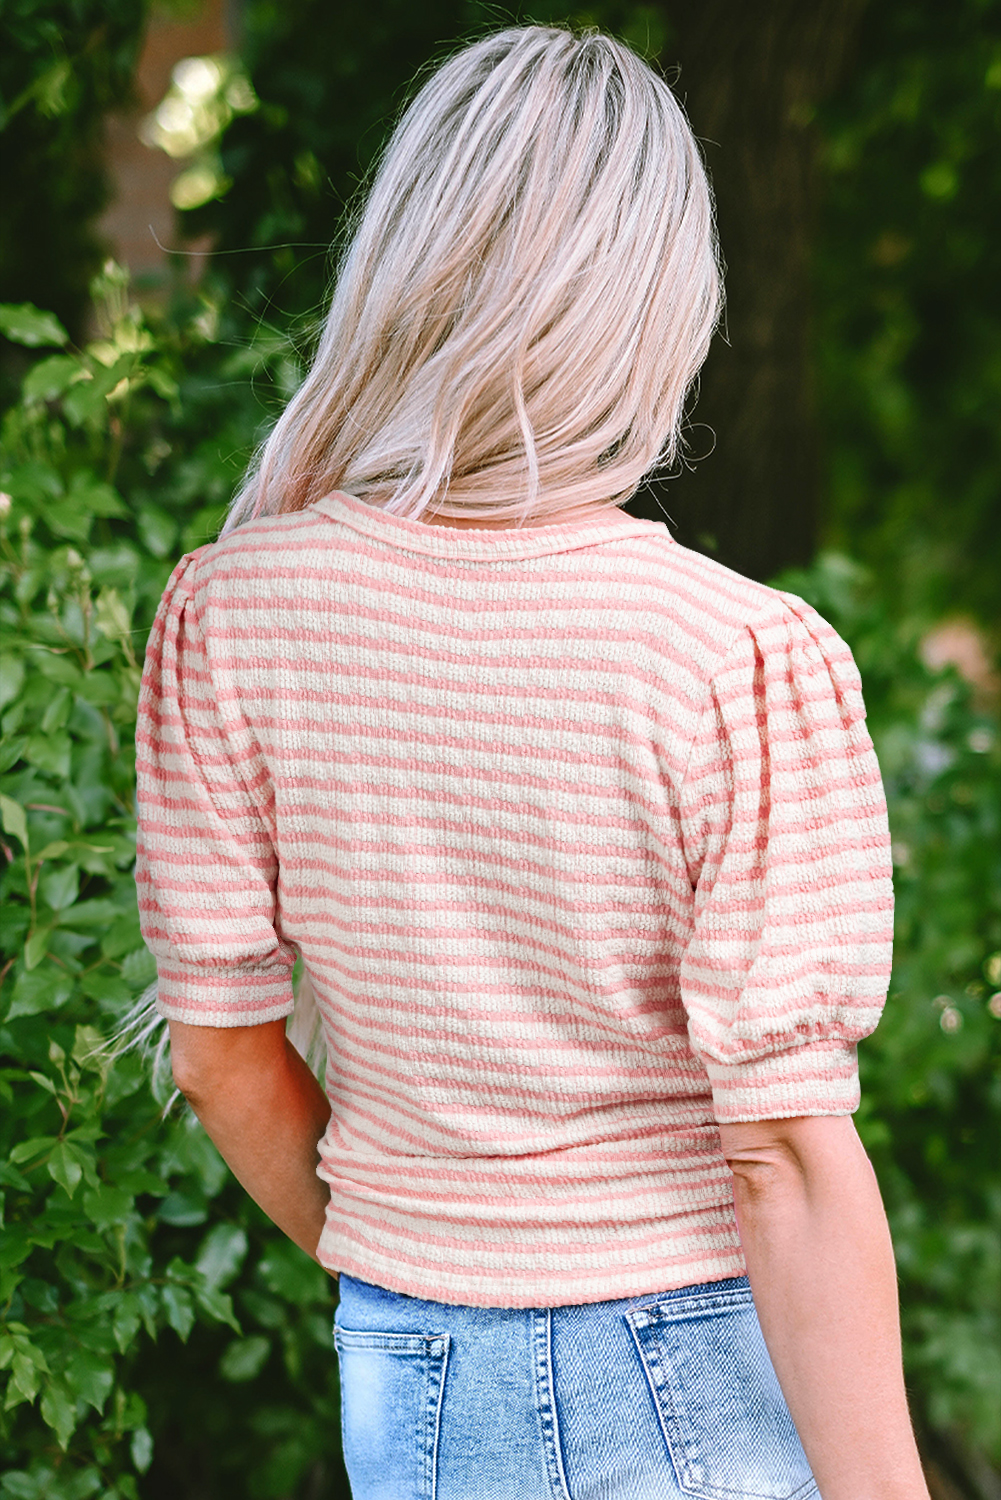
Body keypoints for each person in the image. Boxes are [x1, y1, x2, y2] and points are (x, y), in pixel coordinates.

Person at [134, 24, 931, 1499]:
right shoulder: (736, 660)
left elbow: (220, 1052)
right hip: (689, 1361)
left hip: (410, 1363)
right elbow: (785, 1161)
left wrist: (423, 1259)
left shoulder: (230, 612)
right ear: (661, 302)